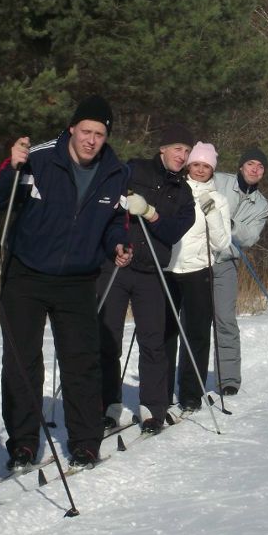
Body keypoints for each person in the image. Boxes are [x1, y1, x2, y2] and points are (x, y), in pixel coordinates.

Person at [0, 96, 132, 471]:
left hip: (78, 279)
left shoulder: (115, 172)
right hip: (26, 272)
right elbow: (0, 197)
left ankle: (85, 441)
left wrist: (117, 245)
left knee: (81, 362)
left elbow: (114, 224)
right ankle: (23, 443)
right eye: (85, 131)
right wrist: (12, 167)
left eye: (99, 134)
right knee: (22, 361)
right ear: (72, 128)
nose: (91, 140)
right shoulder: (39, 158)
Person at [97, 124, 195, 436]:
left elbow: (172, 232)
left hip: (152, 272)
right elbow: (107, 192)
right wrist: (123, 201)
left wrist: (150, 212)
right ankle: (107, 405)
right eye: (178, 148)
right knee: (107, 337)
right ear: (163, 148)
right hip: (117, 265)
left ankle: (154, 408)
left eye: (187, 151)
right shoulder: (134, 169)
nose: (183, 155)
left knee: (153, 340)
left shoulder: (184, 193)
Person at [165, 142, 232, 413]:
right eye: (196, 164)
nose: (201, 170)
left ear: (212, 169)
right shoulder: (173, 190)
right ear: (188, 166)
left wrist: (212, 213)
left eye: (206, 166)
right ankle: (162, 389)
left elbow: (223, 243)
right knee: (164, 334)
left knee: (197, 334)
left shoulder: (218, 199)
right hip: (168, 269)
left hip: (198, 271)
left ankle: (192, 392)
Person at [211, 146, 268, 396]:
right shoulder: (219, 181)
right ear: (241, 166)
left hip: (225, 263)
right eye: (250, 164)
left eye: (260, 167)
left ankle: (228, 379)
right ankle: (188, 378)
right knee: (189, 320)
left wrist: (227, 222)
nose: (255, 169)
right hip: (196, 258)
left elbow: (249, 236)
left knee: (225, 319)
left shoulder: (262, 205)